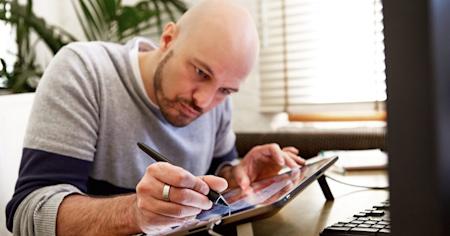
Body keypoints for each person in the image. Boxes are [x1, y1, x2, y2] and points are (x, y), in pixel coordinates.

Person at [6, 0, 305, 235]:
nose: (203, 101)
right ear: (168, 38)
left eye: (225, 89)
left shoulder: (217, 101)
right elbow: (27, 213)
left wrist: (239, 175)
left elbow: (215, 188)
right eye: (200, 72)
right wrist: (135, 214)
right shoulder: (85, 71)